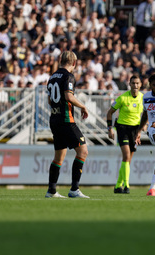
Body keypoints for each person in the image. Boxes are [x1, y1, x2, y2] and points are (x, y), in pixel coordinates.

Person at [45, 51, 90, 198]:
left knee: (59, 156)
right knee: (83, 151)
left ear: (60, 60)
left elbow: (50, 101)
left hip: (54, 119)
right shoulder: (68, 76)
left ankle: (51, 191)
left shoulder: (52, 77)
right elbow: (68, 96)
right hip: (66, 120)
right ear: (74, 63)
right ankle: (74, 189)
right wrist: (83, 106)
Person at [106, 74, 144, 194]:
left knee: (128, 159)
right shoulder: (122, 98)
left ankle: (118, 186)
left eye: (137, 83)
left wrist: (140, 131)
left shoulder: (143, 98)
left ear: (141, 84)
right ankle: (126, 185)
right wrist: (110, 128)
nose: (135, 86)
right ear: (129, 84)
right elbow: (109, 112)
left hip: (135, 130)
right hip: (122, 128)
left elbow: (146, 116)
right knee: (126, 156)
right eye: (133, 83)